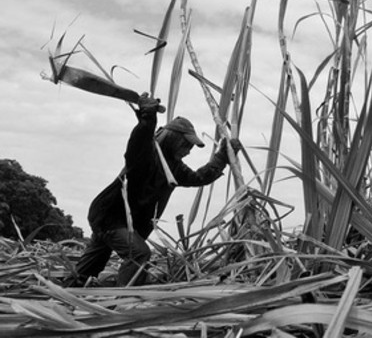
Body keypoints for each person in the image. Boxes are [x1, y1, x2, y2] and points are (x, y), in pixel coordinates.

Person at [66, 93, 241, 287]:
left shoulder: (173, 167)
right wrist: (148, 116)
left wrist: (223, 157)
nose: (189, 150)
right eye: (186, 144)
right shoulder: (146, 153)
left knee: (92, 263)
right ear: (173, 139)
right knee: (139, 253)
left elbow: (198, 178)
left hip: (123, 223)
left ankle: (65, 292)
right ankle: (124, 300)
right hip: (110, 217)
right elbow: (140, 138)